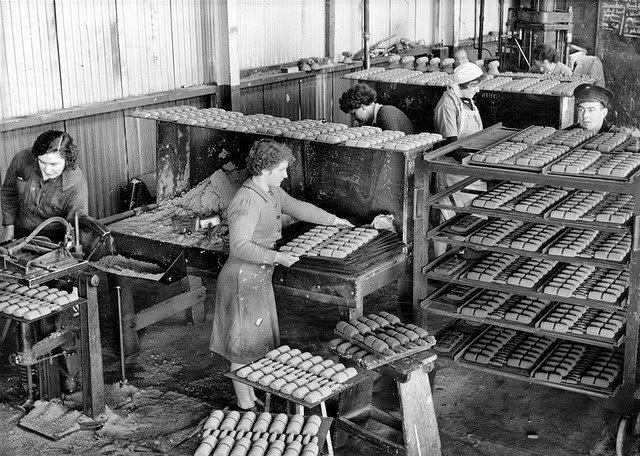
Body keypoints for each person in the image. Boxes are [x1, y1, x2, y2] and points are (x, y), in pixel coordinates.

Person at [210, 139, 353, 411]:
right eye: (282, 170)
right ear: (265, 169)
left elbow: (300, 208)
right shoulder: (248, 199)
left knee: (257, 341)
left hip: (258, 276)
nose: (286, 175)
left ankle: (251, 396)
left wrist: (334, 220)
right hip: (241, 279)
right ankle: (245, 404)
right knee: (243, 345)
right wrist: (278, 257)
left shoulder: (272, 192)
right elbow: (239, 246)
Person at [1, 130, 88, 242]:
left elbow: (77, 224)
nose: (47, 170)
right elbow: (8, 193)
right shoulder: (21, 159)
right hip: (20, 234)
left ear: (67, 160)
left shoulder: (76, 183)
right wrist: (9, 228)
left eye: (53, 164)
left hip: (55, 242)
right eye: (42, 162)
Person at [434, 62, 484, 145]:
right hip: (455, 155)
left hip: (473, 148)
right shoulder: (447, 106)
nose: (477, 90)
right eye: (474, 86)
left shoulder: (467, 99)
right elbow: (450, 144)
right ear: (462, 85)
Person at [339, 83, 415, 134]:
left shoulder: (385, 115)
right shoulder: (379, 115)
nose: (354, 118)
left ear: (362, 106)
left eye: (354, 114)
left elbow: (392, 150)